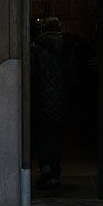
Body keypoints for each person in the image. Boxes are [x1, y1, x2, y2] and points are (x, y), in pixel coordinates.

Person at [31, 17, 73, 189]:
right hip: (62, 99)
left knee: (41, 135)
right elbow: (73, 76)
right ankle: (55, 172)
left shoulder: (37, 47)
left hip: (41, 99)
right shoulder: (68, 47)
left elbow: (32, 74)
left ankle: (45, 168)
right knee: (57, 137)